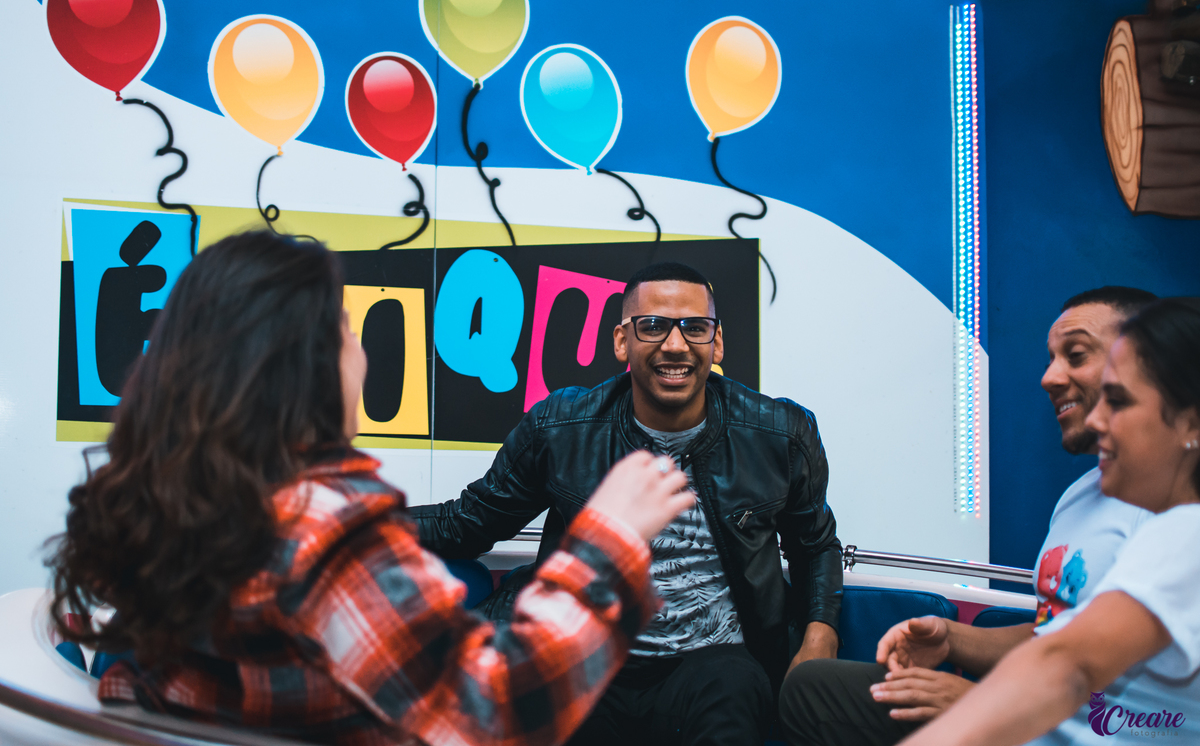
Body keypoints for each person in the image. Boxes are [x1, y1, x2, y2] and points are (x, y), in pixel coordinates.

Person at [46, 231, 697, 746]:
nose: (361, 353)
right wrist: (606, 541)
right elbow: (497, 717)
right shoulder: (321, 527)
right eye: (347, 330)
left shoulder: (177, 503)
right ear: (301, 366)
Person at [412, 262, 843, 746]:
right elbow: (468, 523)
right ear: (622, 341)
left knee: (734, 685)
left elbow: (815, 546)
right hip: (593, 657)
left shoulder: (780, 433)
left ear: (716, 342)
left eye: (694, 327)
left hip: (716, 664)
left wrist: (819, 633)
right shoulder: (560, 427)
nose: (675, 345)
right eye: (653, 326)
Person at [779, 286, 1157, 746]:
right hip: (1032, 707)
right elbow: (1054, 636)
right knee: (812, 688)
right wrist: (952, 639)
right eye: (1050, 359)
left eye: (1075, 355)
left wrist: (984, 707)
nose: (1050, 378)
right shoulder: (1081, 496)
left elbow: (1149, 708)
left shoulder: (1172, 515)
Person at [897, 296, 1200, 746]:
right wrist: (954, 640)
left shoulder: (1185, 534)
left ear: (1190, 424)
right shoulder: (1097, 502)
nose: (1097, 420)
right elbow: (1055, 639)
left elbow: (1065, 664)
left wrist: (968, 706)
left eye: (1117, 400)